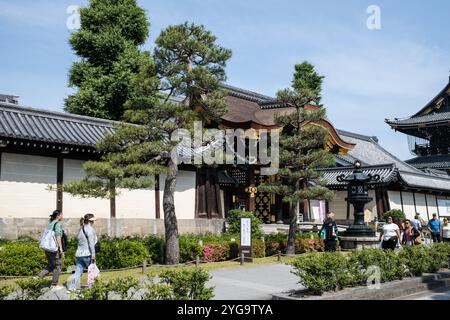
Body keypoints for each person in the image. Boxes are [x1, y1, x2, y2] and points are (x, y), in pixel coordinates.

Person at [67, 213, 98, 292]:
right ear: (91, 221)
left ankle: (71, 287)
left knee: (78, 271)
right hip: (87, 253)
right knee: (92, 271)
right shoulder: (90, 230)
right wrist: (93, 255)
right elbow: (91, 244)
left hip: (79, 254)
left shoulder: (81, 229)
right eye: (93, 221)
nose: (94, 222)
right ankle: (94, 287)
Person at [36, 210, 64, 290]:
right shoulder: (57, 224)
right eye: (61, 215)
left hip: (47, 248)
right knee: (57, 266)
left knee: (51, 266)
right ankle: (54, 285)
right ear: (58, 215)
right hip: (53, 249)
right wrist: (60, 248)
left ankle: (37, 278)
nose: (62, 216)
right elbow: (58, 236)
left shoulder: (50, 224)